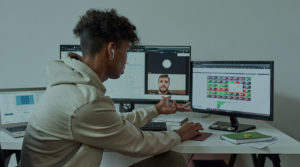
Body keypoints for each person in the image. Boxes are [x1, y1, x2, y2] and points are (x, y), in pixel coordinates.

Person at [20, 9, 203, 167]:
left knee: (170, 159)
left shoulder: (70, 85)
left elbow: (115, 122)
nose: (127, 59)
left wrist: (155, 109)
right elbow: (138, 143)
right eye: (127, 51)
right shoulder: (85, 101)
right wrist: (178, 134)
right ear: (111, 50)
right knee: (172, 161)